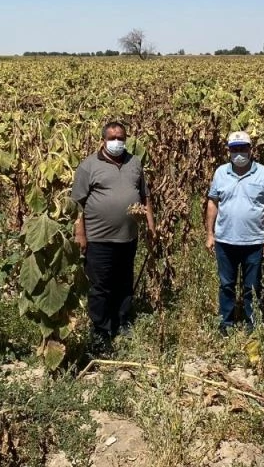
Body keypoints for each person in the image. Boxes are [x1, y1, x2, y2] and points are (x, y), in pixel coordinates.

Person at [71, 121, 156, 354]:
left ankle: (123, 322)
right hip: (98, 238)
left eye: (121, 137)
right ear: (103, 140)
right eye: (112, 138)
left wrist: (150, 228)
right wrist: (81, 234)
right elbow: (78, 204)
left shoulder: (134, 163)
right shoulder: (89, 166)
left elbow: (145, 197)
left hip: (128, 237)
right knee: (100, 285)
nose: (117, 142)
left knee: (124, 282)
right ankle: (101, 330)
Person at [205, 131, 264, 334]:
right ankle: (226, 325)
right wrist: (210, 234)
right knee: (226, 285)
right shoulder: (221, 173)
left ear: (250, 149)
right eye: (234, 149)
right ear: (229, 151)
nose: (239, 153)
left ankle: (252, 326)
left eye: (243, 148)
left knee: (252, 287)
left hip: (254, 242)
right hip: (225, 240)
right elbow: (213, 203)